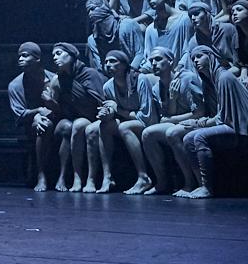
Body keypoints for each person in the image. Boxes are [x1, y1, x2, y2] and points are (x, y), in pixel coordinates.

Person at [84, 50, 157, 194]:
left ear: (124, 65)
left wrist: (118, 110)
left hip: (147, 122)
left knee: (124, 127)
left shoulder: (140, 80)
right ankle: (107, 177)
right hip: (128, 120)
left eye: (113, 61)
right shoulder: (108, 86)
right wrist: (107, 114)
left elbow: (147, 117)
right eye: (106, 62)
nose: (108, 64)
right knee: (102, 126)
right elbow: (113, 111)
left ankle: (143, 177)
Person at [180, 46, 248, 198]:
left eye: (199, 56)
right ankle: (200, 184)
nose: (195, 61)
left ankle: (208, 188)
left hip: (239, 128)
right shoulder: (210, 81)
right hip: (229, 124)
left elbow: (224, 118)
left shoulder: (224, 78)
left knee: (199, 137)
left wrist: (198, 123)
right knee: (188, 138)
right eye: (193, 58)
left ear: (211, 57)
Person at [141, 47, 205, 195]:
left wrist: (171, 119)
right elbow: (166, 115)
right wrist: (172, 99)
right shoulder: (157, 88)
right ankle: (162, 181)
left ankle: (190, 182)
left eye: (158, 59)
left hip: (198, 122)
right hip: (178, 123)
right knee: (147, 134)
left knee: (172, 132)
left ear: (170, 61)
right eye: (151, 60)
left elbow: (199, 112)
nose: (154, 63)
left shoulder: (187, 78)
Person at [42, 43, 105, 192]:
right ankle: (77, 177)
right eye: (53, 55)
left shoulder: (89, 74)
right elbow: (59, 109)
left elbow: (100, 100)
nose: (55, 57)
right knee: (75, 125)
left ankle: (90, 179)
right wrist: (50, 103)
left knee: (80, 125)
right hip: (76, 118)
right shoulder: (58, 80)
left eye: (59, 53)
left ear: (71, 55)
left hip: (96, 116)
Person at [7, 42, 56, 192]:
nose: (20, 59)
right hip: (30, 124)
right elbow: (19, 114)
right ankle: (41, 175)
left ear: (37, 58)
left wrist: (49, 106)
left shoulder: (53, 78)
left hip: (56, 117)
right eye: (19, 56)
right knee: (43, 126)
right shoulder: (15, 85)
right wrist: (37, 113)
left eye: (25, 55)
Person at [139, 0, 193, 72]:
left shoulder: (184, 20)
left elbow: (189, 48)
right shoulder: (151, 29)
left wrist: (180, 67)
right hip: (159, 74)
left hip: (183, 72)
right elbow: (149, 57)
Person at [85, 0, 144, 73]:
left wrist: (129, 73)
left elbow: (140, 53)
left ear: (104, 7)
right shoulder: (93, 40)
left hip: (134, 72)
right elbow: (100, 66)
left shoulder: (127, 25)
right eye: (88, 11)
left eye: (93, 9)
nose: (90, 13)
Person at [179, 2, 239, 74]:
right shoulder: (194, 41)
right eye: (190, 16)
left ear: (207, 14)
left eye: (196, 14)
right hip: (213, 75)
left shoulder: (227, 29)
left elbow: (239, 57)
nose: (193, 18)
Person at [230, 0, 248, 89]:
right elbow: (238, 64)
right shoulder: (236, 37)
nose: (234, 13)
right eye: (232, 12)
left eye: (239, 10)